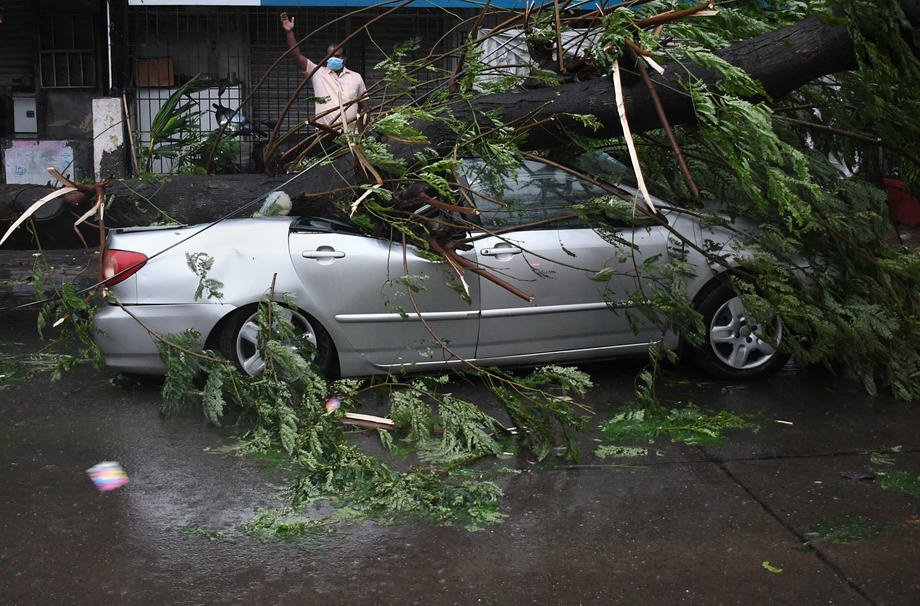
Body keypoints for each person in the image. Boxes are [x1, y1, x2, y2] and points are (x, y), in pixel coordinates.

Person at [280, 12, 368, 134]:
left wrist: (362, 130)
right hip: (324, 134)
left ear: (344, 58)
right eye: (329, 55)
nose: (332, 58)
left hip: (351, 135)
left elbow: (365, 106)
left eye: (336, 56)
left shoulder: (356, 77)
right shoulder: (318, 73)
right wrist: (289, 32)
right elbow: (297, 56)